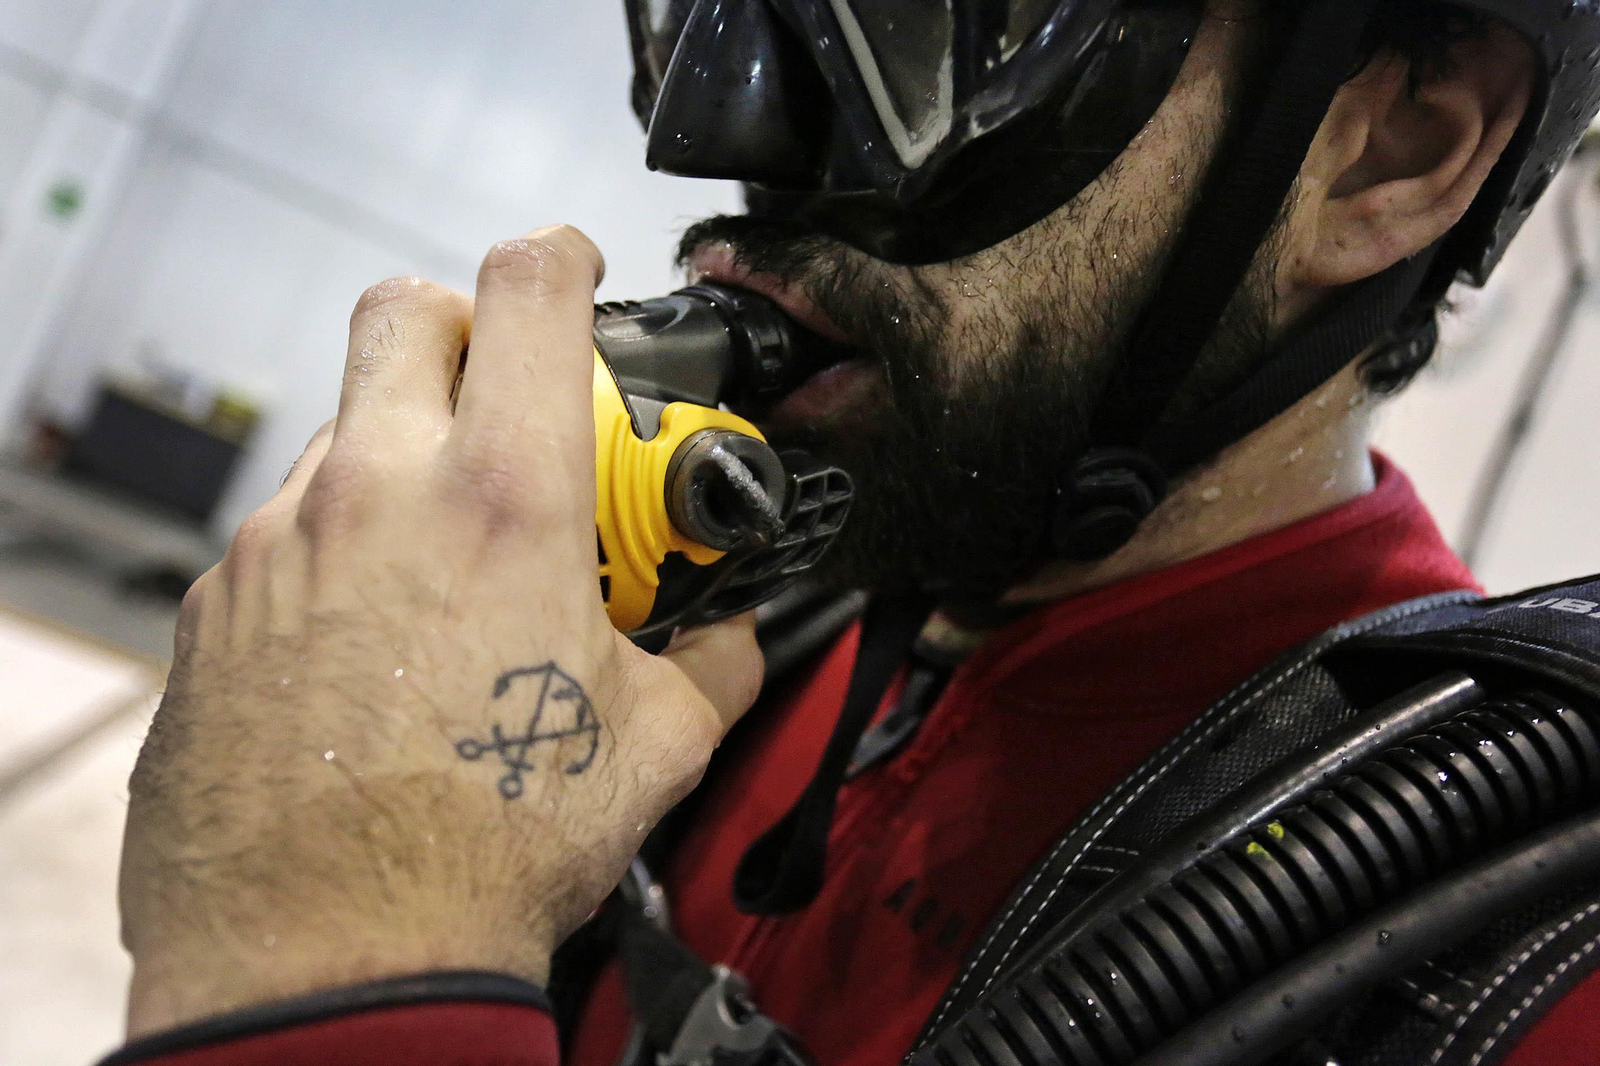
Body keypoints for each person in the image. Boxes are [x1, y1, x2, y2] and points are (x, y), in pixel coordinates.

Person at [99, 2, 1600, 1065]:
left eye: (935, 18)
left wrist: (335, 948)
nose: (725, 122)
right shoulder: (779, 635)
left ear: (1392, 149)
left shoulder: (1523, 984)